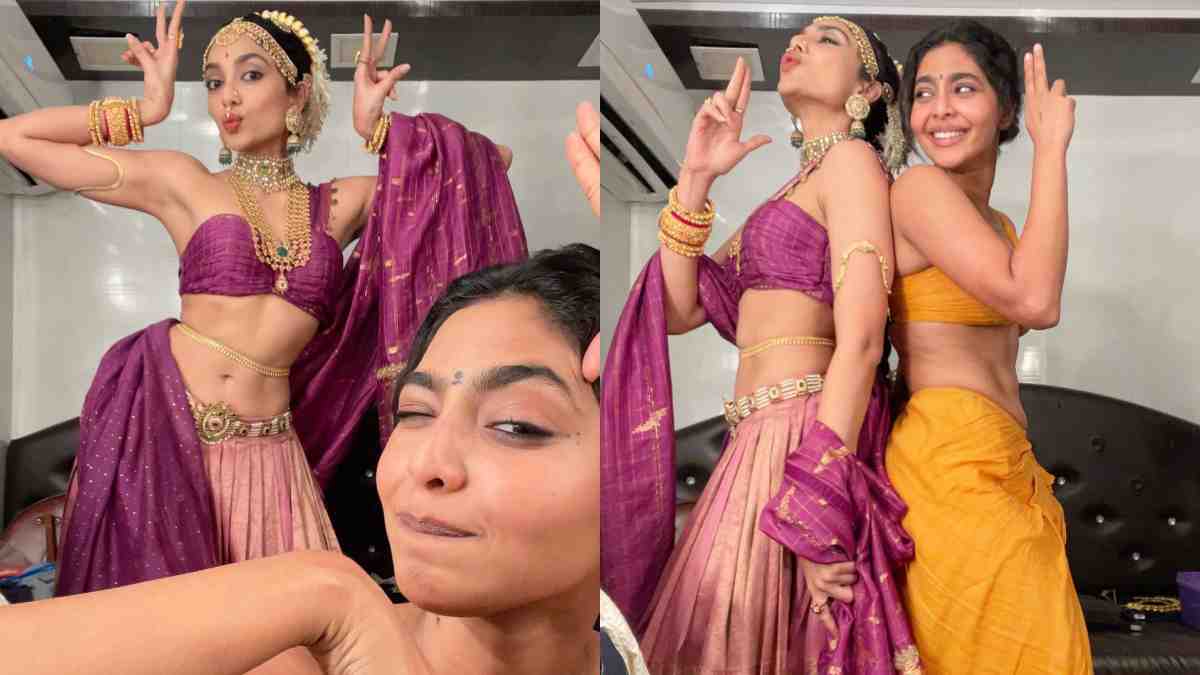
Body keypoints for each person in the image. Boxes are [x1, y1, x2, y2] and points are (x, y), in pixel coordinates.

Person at [0, 3, 526, 594]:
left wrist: (378, 128)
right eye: (215, 82)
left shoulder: (338, 204)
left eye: (250, 75)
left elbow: (485, 170)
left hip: (272, 454)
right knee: (176, 625)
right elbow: (15, 137)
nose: (228, 97)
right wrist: (145, 110)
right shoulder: (184, 182)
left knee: (298, 624)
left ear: (297, 93)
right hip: (169, 440)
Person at [0, 242, 600, 675]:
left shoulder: (639, 652)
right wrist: (329, 594)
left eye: (516, 424)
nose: (428, 465)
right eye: (416, 412)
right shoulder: (297, 656)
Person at [602, 17, 923, 675]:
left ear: (870, 90)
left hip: (801, 436)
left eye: (828, 39)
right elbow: (681, 307)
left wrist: (817, 504)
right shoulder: (795, 188)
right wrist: (695, 178)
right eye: (798, 34)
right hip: (755, 441)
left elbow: (862, 340)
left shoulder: (852, 162)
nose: (799, 42)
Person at [883, 19, 1090, 673]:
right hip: (948, 463)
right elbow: (1037, 303)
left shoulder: (997, 225)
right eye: (924, 92)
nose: (939, 108)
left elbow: (1027, 305)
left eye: (964, 88)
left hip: (1006, 462)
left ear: (1004, 109)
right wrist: (1051, 149)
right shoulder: (919, 190)